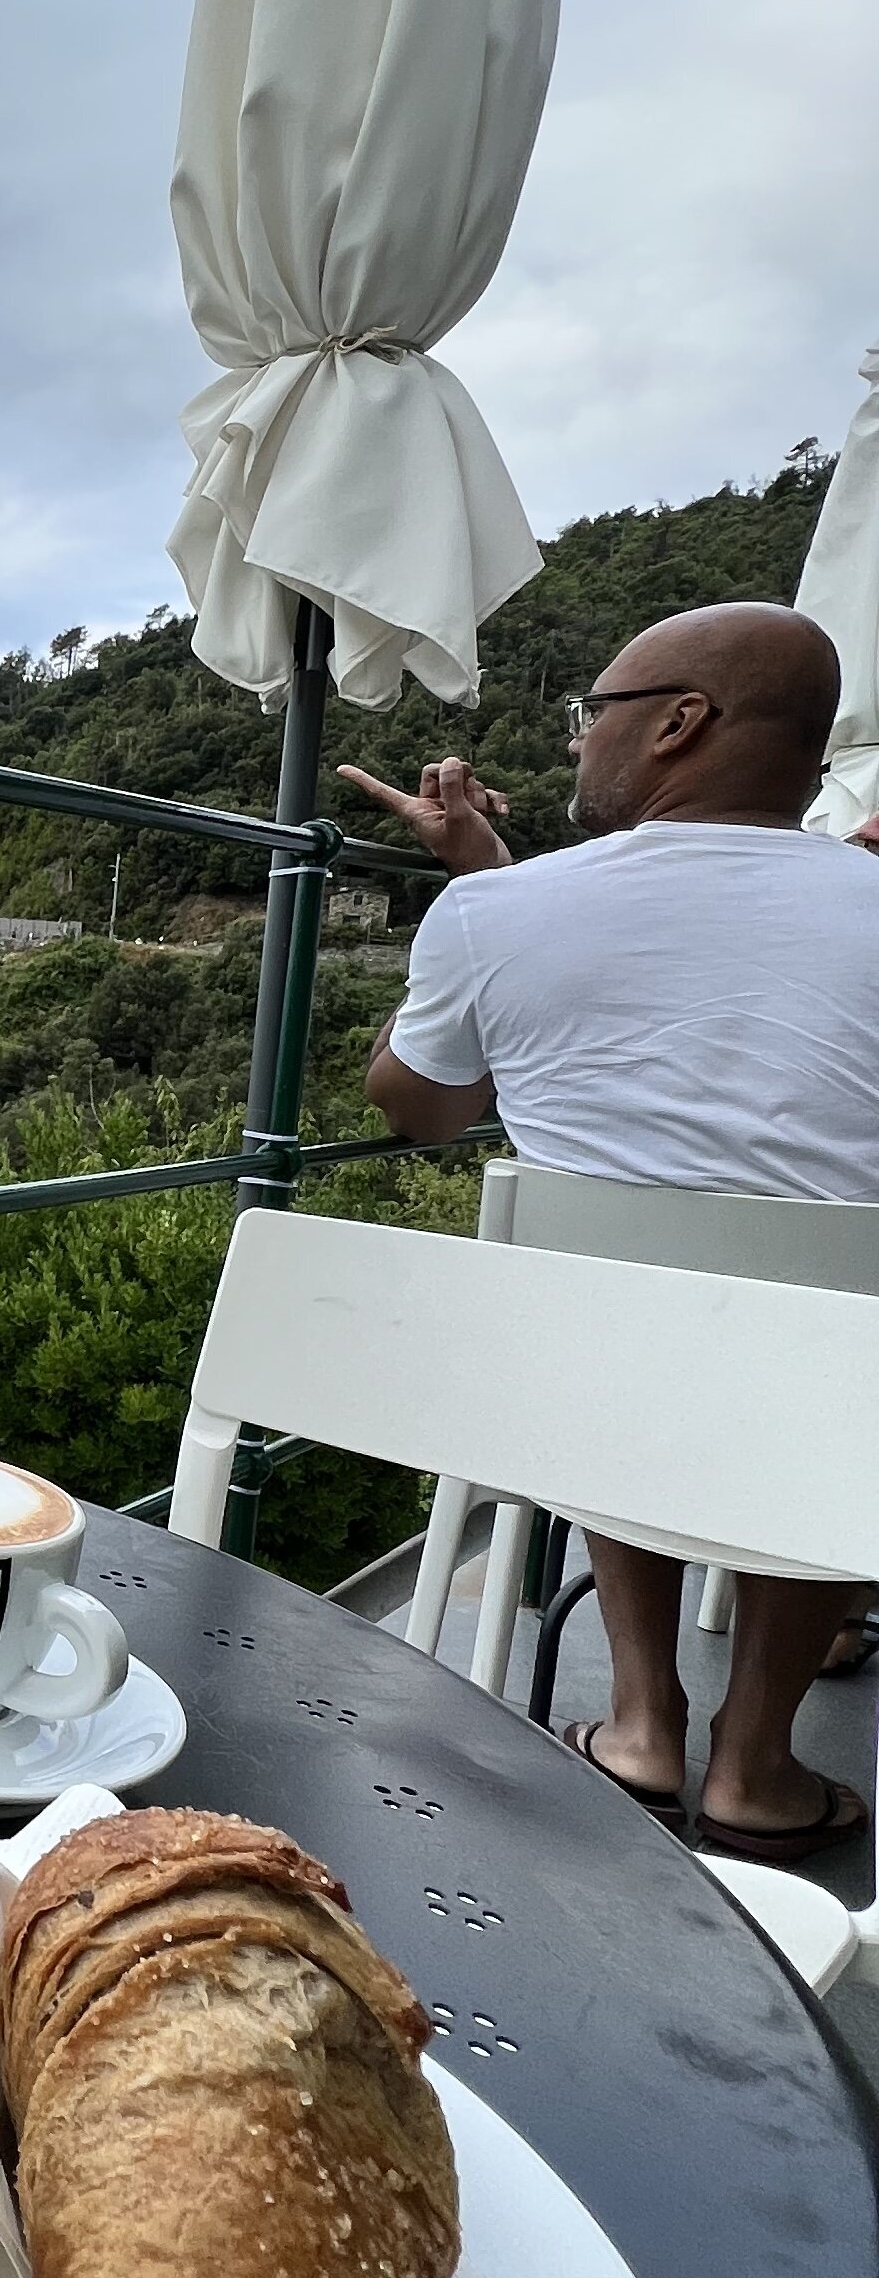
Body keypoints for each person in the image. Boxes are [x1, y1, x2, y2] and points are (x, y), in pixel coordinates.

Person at [341, 601, 879, 1857]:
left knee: (621, 1329)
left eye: (598, 717)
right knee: (830, 1362)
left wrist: (484, 901)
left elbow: (419, 1109)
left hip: (593, 1383)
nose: (582, 745)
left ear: (681, 724)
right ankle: (757, 1764)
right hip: (844, 1395)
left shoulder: (503, 914)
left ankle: (640, 1727)